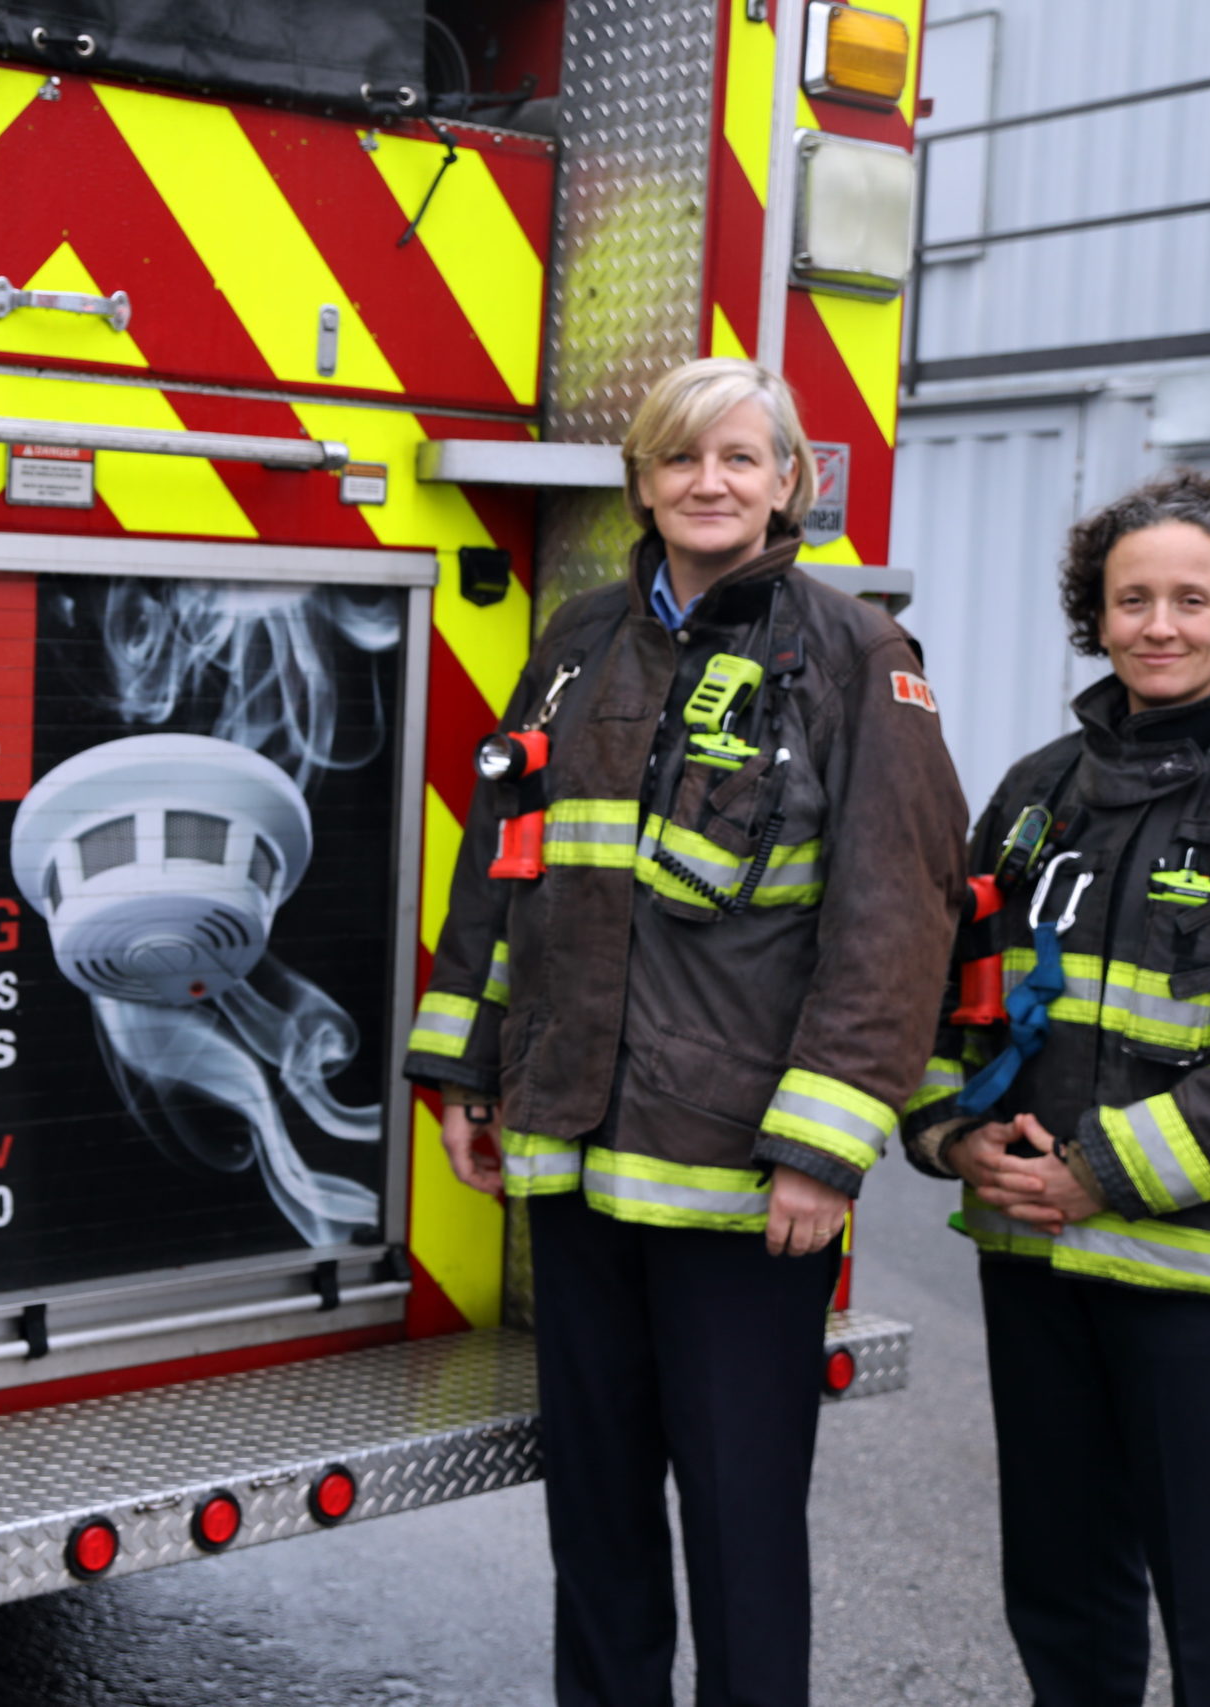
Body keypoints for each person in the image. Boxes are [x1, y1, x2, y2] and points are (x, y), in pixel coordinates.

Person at [404, 357, 965, 1706]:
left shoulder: (855, 656)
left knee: (739, 1521)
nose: (708, 482)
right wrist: (467, 1070)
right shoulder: (578, 643)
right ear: (642, 483)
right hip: (581, 1151)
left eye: (739, 457)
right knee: (594, 1512)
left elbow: (898, 915)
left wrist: (825, 1149)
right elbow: (503, 864)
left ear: (790, 483)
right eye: (679, 459)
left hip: (743, 1178)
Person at [901, 469, 1210, 1706]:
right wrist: (953, 1138)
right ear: (1094, 616)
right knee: (1060, 1602)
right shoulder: (1035, 795)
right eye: (1131, 599)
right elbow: (956, 993)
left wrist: (1098, 1172)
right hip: (1040, 1269)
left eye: (1192, 601)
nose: (1159, 625)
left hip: (1208, 1292)